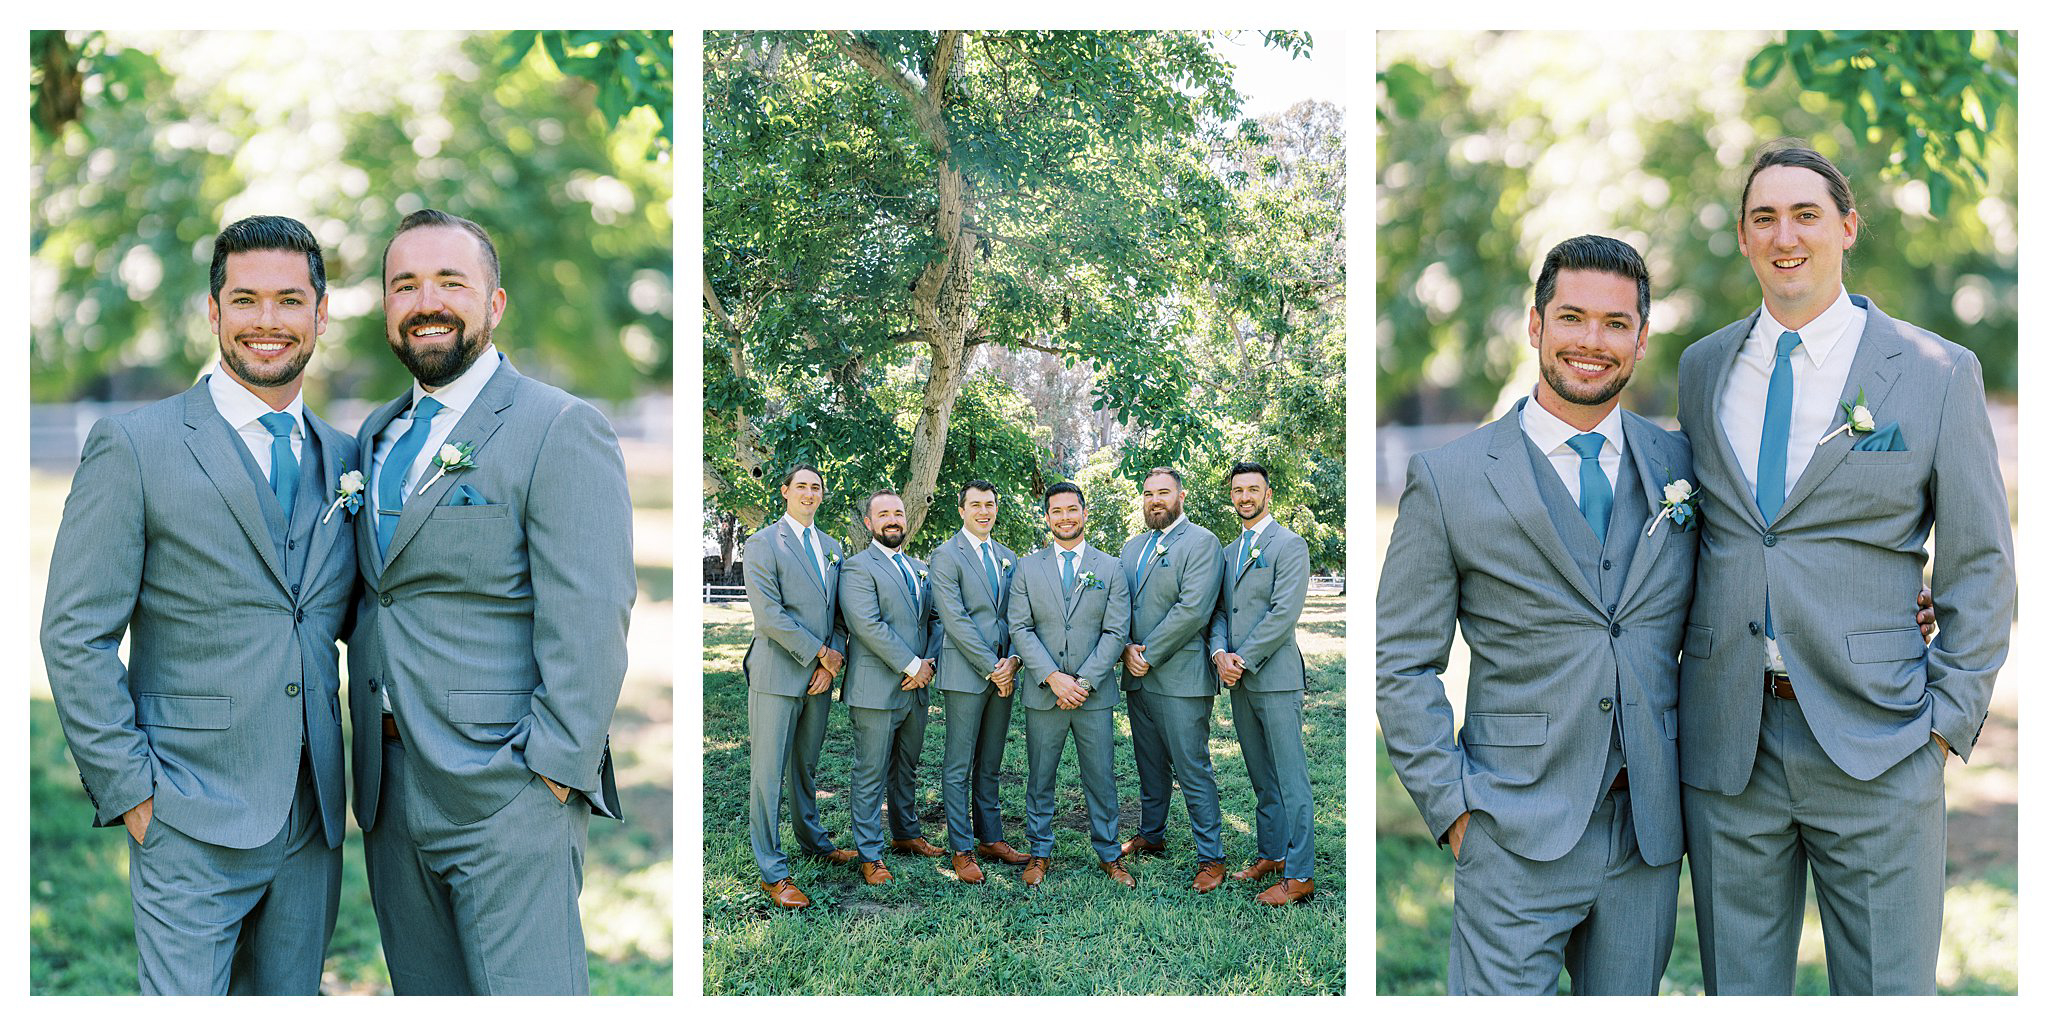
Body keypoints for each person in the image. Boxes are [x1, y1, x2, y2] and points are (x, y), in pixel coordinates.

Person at [1675, 144, 2014, 995]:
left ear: (1847, 229)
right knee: (1738, 996)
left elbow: (1980, 566)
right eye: (1764, 218)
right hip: (1729, 745)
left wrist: (1944, 723)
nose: (1785, 235)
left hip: (1882, 739)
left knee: (1889, 997)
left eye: (1806, 214)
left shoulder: (1937, 372)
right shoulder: (1703, 366)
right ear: (1745, 241)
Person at [41, 214, 355, 994]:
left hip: (312, 819)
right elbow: (75, 635)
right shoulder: (136, 446)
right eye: (245, 300)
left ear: (321, 313)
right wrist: (132, 793)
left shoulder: (347, 457)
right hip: (185, 811)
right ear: (213, 313)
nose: (267, 322)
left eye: (289, 300)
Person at [1378, 236, 1696, 992]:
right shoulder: (1448, 479)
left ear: (1641, 338)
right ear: (1535, 325)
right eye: (1573, 318)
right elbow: (1401, 661)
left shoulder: (1683, 467)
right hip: (1509, 829)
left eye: (1617, 324)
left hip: (1647, 830)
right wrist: (1453, 807)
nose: (1593, 342)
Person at [347, 208, 635, 994]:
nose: (425, 300)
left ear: (495, 303)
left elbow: (592, 617)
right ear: (385, 309)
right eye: (405, 284)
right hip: (388, 790)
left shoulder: (559, 427)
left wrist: (547, 775)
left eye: (450, 281)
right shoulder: (376, 436)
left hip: (508, 791)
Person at [743, 465, 857, 910]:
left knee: (805, 767)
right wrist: (818, 654)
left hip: (819, 679)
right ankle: (773, 871)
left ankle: (813, 841)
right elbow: (768, 615)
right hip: (777, 673)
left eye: (816, 488)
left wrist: (832, 661)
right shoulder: (763, 543)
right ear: (785, 491)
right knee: (768, 774)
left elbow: (840, 615)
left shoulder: (832, 548)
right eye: (801, 487)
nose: (809, 494)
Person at [1008, 482, 1133, 887]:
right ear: (1047, 518)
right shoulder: (1027, 568)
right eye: (1056, 511)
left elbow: (1116, 632)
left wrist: (1083, 681)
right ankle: (1039, 852)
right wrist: (1052, 677)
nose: (1065, 517)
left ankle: (1110, 855)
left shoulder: (1110, 568)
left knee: (1101, 777)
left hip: (1093, 696)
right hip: (1044, 692)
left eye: (1072, 509)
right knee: (1039, 777)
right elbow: (1021, 628)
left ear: (1084, 513)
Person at [1210, 460, 1315, 906]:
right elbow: (1217, 612)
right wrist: (1219, 654)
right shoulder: (1228, 551)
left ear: (1268, 495)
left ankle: (1301, 874)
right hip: (1237, 680)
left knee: (1291, 779)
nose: (1245, 496)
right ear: (1232, 497)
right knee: (1261, 777)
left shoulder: (1290, 545)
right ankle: (1271, 854)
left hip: (1274, 677)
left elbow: (1283, 614)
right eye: (1238, 490)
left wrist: (1244, 657)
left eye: (1253, 489)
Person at [1117, 467, 1227, 891]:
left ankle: (1211, 857)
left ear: (1181, 495)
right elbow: (1118, 603)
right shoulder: (1132, 548)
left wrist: (1149, 653)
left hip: (1180, 676)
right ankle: (1152, 832)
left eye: (1163, 492)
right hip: (1137, 675)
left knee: (1192, 767)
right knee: (1149, 764)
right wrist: (1126, 647)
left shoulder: (1202, 543)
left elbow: (1194, 609)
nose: (1155, 500)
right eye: (1148, 494)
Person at [838, 488, 943, 884]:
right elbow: (867, 625)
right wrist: (912, 664)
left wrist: (927, 665)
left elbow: (934, 619)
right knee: (870, 771)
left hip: (916, 688)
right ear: (869, 523)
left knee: (907, 767)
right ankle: (870, 853)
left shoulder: (918, 567)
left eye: (898, 513)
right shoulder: (857, 568)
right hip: (875, 688)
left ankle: (906, 833)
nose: (893, 520)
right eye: (883, 515)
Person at [928, 480, 1029, 884]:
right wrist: (993, 666)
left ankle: (991, 838)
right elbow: (955, 620)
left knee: (990, 762)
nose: (983, 511)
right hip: (967, 673)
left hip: (1005, 672)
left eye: (989, 504)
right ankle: (962, 847)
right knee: (958, 764)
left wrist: (1014, 662)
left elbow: (1021, 615)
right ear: (962, 510)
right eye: (975, 505)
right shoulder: (945, 555)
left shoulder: (1008, 557)